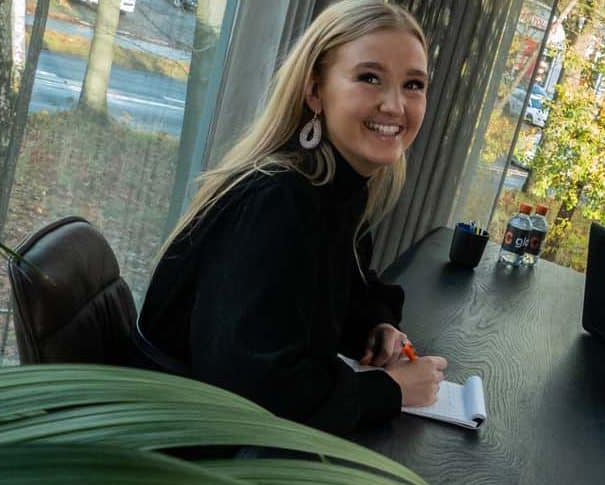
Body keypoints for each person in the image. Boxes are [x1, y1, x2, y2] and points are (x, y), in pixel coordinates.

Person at [138, 0, 445, 434]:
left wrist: (376, 324)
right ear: (315, 90)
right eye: (369, 78)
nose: (396, 106)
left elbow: (342, 288)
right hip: (180, 455)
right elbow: (254, 394)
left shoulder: (334, 187)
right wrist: (391, 390)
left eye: (414, 84)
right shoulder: (279, 201)